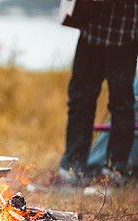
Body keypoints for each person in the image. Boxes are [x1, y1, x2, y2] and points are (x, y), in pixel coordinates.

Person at [58, 0, 138, 186]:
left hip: (123, 33)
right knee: (79, 99)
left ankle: (115, 171)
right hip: (91, 27)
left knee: (121, 103)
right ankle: (72, 167)